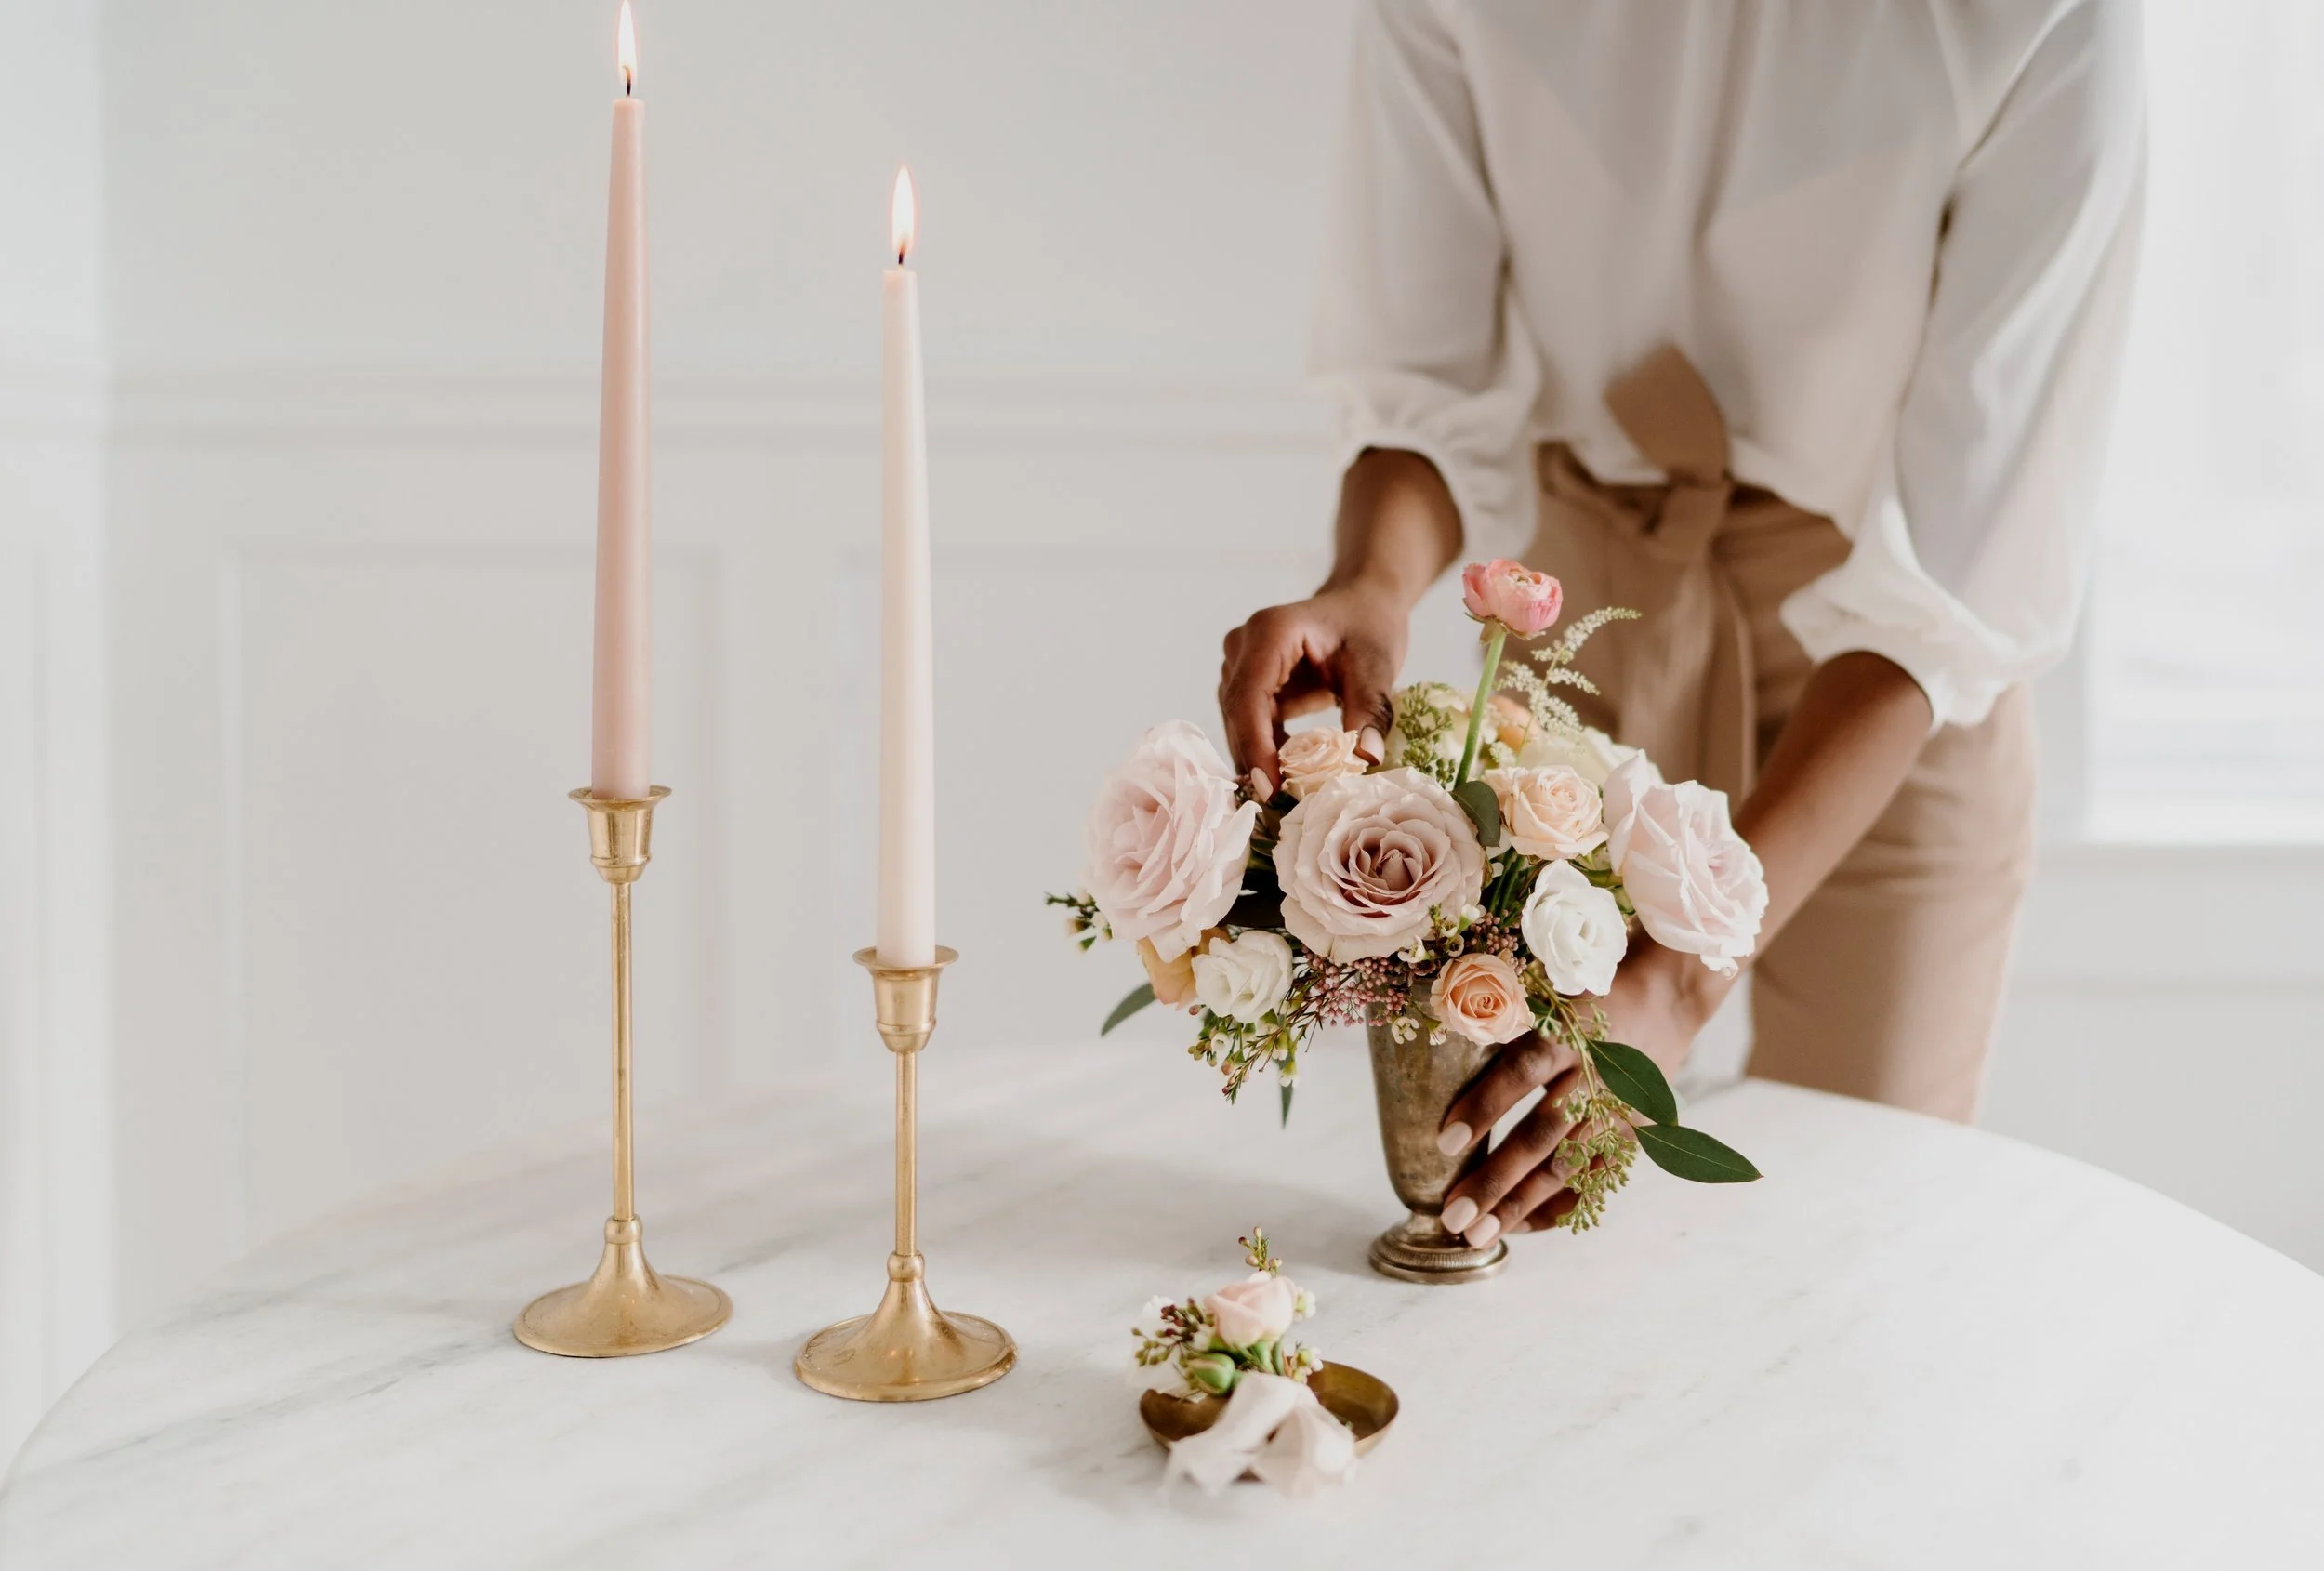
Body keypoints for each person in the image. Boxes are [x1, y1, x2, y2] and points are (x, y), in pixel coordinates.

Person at [1217, 1, 2146, 1246]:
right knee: (1551, 1232)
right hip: (1580, 621)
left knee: (1857, 1236)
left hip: (1889, 690)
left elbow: (1958, 576)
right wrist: (1371, 590)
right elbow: (1423, 378)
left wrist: (1674, 985)